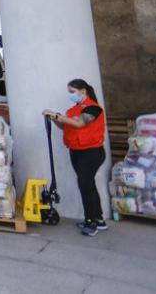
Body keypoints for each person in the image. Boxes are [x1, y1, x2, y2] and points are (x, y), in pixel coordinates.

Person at [43, 78, 108, 237]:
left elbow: (79, 123)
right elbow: (65, 125)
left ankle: (90, 222)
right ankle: (99, 218)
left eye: (72, 92)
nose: (70, 95)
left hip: (92, 152)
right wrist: (55, 118)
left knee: (85, 185)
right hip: (77, 151)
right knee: (88, 185)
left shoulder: (93, 108)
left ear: (83, 91)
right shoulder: (74, 109)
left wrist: (57, 115)